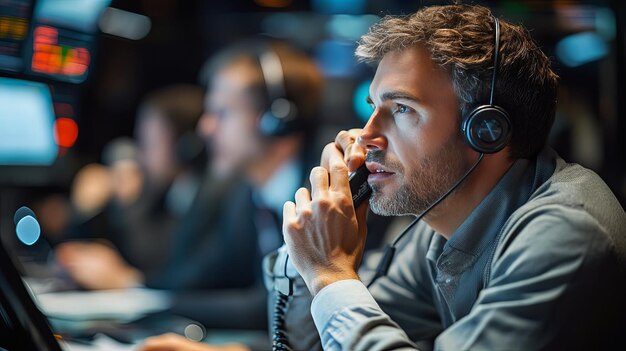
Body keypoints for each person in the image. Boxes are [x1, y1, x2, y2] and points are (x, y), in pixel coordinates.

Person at [140, 4, 626, 351]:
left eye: (401, 109)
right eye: (373, 108)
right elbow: (323, 339)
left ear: (486, 129)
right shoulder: (436, 230)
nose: (364, 135)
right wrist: (313, 258)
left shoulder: (566, 232)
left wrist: (331, 274)